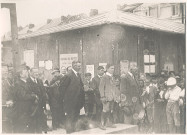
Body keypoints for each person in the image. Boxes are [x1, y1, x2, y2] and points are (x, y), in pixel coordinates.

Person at [59, 60, 85, 133]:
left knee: (75, 118)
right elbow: (62, 89)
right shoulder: (68, 75)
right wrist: (65, 100)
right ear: (73, 66)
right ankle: (69, 132)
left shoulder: (78, 74)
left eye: (80, 66)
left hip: (77, 101)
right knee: (70, 118)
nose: (80, 67)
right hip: (70, 102)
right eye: (78, 66)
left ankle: (73, 131)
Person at [13, 65, 38, 133]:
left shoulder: (26, 82)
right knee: (23, 129)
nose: (28, 73)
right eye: (26, 72)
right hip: (22, 111)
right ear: (21, 75)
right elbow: (23, 96)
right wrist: (34, 96)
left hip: (28, 110)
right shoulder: (18, 84)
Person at [26, 68, 47, 133]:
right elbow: (28, 93)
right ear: (30, 73)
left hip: (40, 106)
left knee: (39, 124)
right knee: (32, 125)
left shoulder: (39, 80)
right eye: (35, 72)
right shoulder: (27, 81)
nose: (37, 74)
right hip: (32, 107)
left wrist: (45, 105)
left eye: (37, 72)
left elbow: (43, 93)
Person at [99, 64, 117, 130]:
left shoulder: (112, 77)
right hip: (106, 97)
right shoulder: (104, 77)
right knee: (105, 110)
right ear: (107, 69)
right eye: (111, 68)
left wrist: (115, 96)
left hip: (112, 97)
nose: (113, 70)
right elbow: (101, 87)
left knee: (111, 110)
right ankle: (102, 124)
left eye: (113, 68)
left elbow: (114, 87)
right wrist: (103, 96)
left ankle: (109, 123)